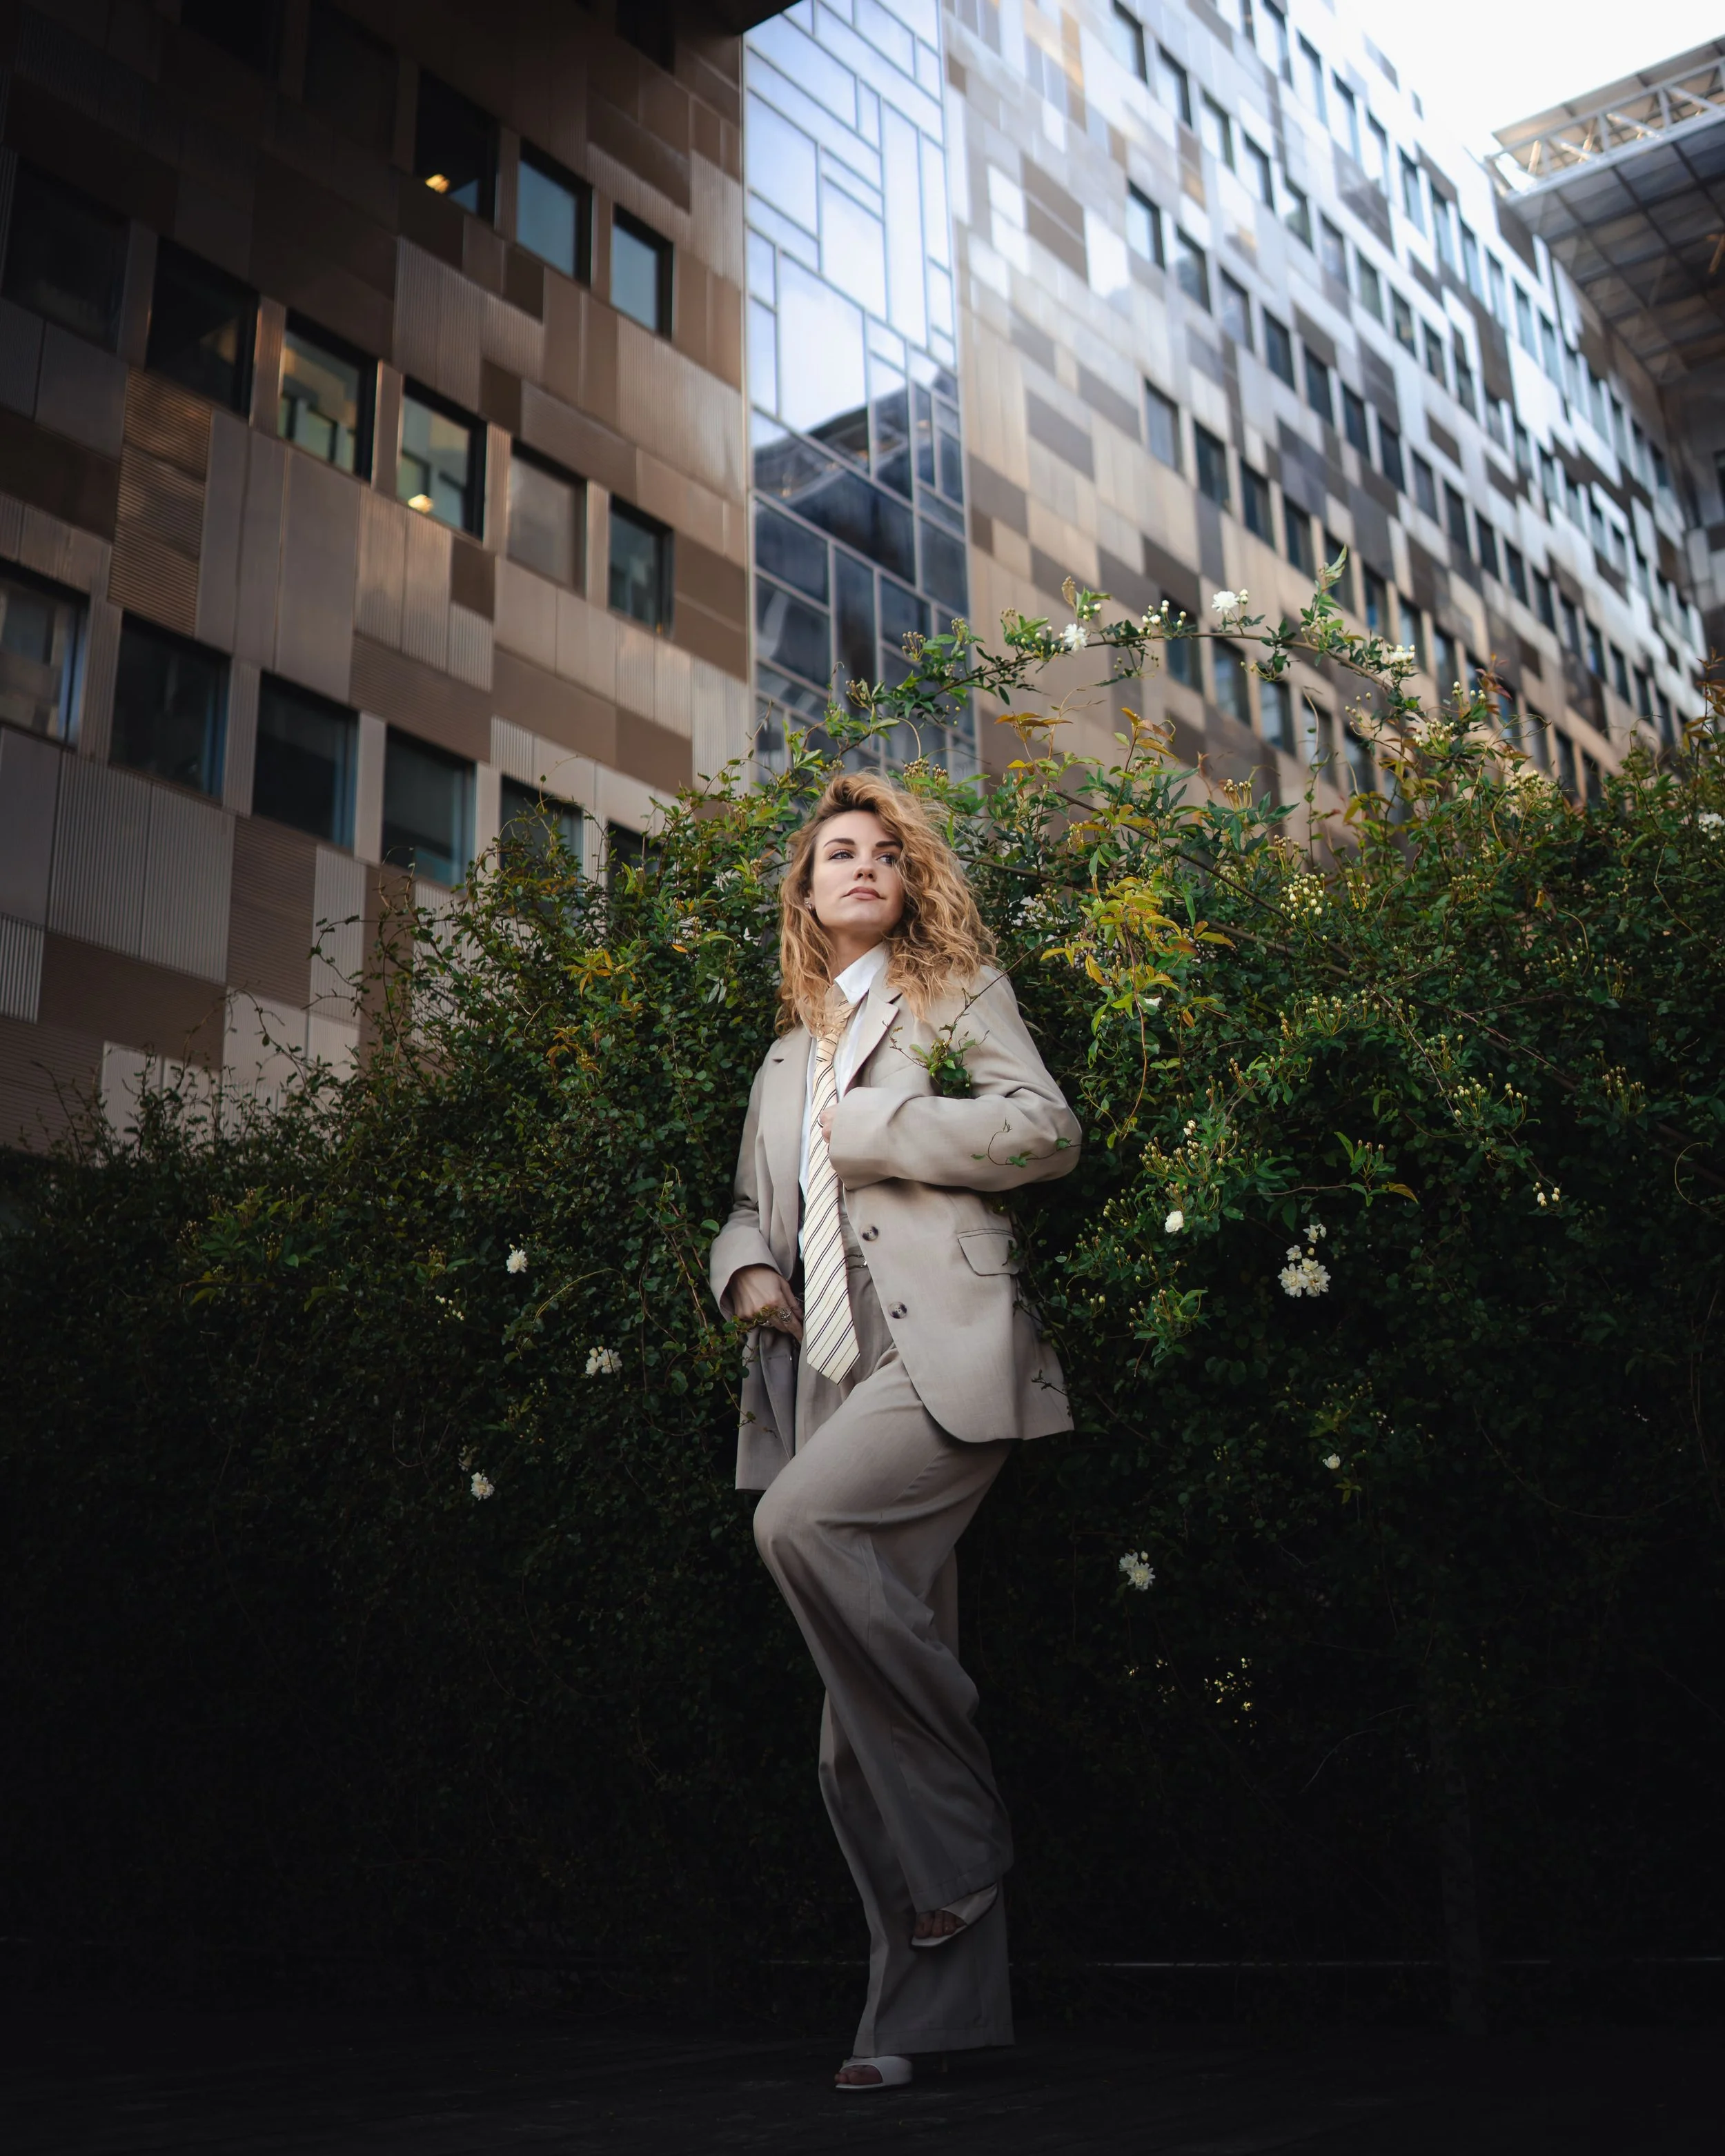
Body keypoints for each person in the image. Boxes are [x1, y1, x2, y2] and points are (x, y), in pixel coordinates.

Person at [709, 769, 1082, 2092]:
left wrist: (877, 1128)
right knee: (844, 1738)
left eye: (883, 853)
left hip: (942, 1358)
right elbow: (753, 1207)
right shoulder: (779, 1059)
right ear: (806, 895)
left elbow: (1045, 1131)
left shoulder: (954, 1001)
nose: (861, 867)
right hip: (821, 1375)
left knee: (795, 1525)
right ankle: (923, 2023)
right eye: (836, 855)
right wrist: (743, 1271)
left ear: (907, 881)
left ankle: (965, 1846)